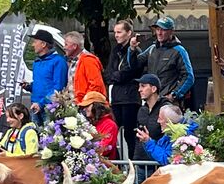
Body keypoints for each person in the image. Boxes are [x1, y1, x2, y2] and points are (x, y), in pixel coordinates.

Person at [128, 17, 194, 108]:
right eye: (158, 29)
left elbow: (189, 76)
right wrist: (132, 49)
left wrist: (174, 95)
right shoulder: (152, 49)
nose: (159, 33)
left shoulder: (179, 50)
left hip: (168, 102)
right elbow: (134, 66)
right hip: (151, 100)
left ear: (171, 31)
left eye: (163, 30)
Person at [107, 19, 142, 158]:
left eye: (119, 32)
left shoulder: (135, 50)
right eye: (115, 32)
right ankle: (117, 163)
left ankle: (133, 163)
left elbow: (131, 71)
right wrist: (117, 76)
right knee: (114, 132)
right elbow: (109, 72)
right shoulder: (115, 50)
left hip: (130, 97)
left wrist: (118, 76)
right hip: (116, 97)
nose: (116, 35)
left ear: (129, 33)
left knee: (130, 134)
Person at [25, 29, 68, 126]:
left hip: (49, 108)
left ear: (43, 44)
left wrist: (41, 103)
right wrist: (28, 86)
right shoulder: (37, 62)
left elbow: (58, 88)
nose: (33, 45)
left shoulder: (58, 61)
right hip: (35, 106)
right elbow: (41, 84)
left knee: (49, 138)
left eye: (35, 42)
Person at [132, 74, 168, 181]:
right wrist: (135, 159)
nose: (139, 90)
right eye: (139, 86)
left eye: (143, 86)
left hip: (158, 165)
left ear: (153, 89)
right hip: (140, 163)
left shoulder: (166, 108)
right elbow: (138, 136)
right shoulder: (141, 110)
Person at [64, 31, 106, 104]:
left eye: (66, 44)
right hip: (78, 104)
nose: (64, 47)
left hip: (87, 106)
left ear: (74, 46)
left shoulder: (88, 60)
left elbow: (96, 85)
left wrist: (85, 103)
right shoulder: (74, 60)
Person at [79, 91, 118, 159]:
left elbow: (104, 149)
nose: (85, 109)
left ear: (96, 106)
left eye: (87, 106)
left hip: (105, 166)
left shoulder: (110, 125)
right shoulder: (89, 123)